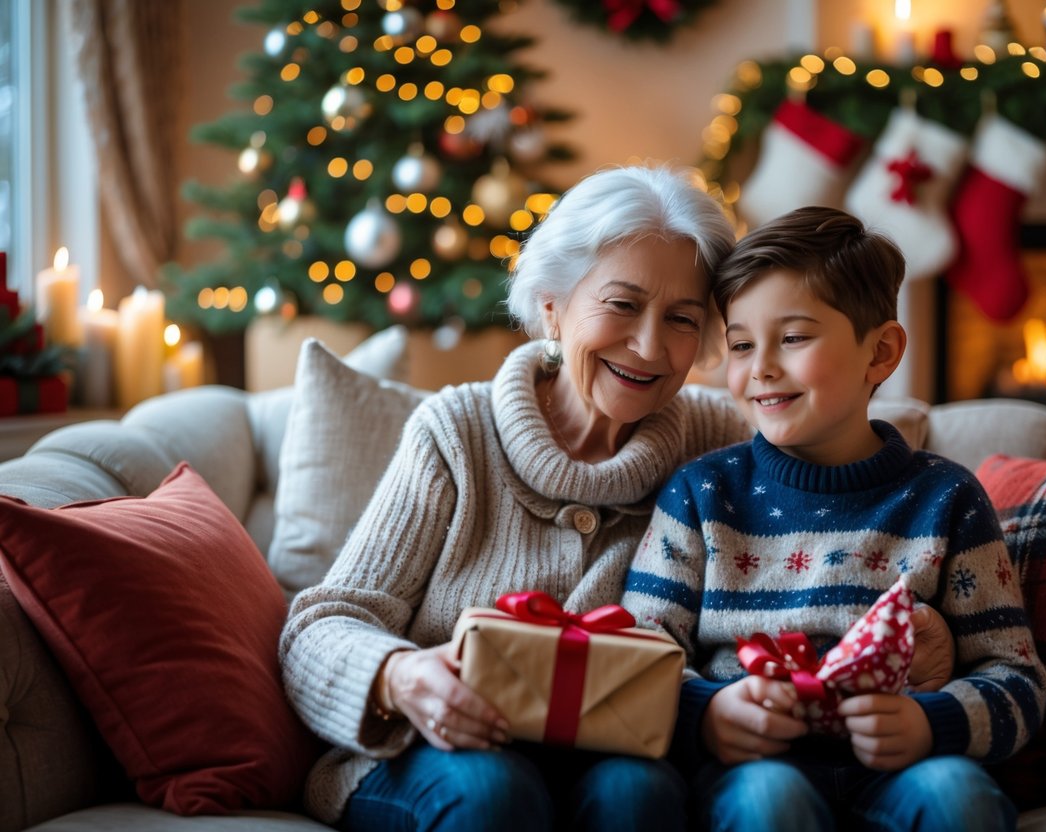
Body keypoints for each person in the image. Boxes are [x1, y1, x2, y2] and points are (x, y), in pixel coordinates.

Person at [278, 165, 755, 832]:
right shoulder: (456, 432)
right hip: (439, 751)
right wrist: (400, 675)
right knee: (494, 793)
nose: (649, 346)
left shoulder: (720, 441)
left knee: (638, 793)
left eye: (681, 318)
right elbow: (320, 624)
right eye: (621, 304)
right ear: (553, 304)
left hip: (613, 753)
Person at [621, 206, 1046, 832]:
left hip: (903, 770)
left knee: (960, 797)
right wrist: (709, 714)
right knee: (770, 804)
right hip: (754, 774)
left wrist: (934, 722)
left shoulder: (945, 499)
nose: (761, 366)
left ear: (880, 353)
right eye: (741, 344)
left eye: (793, 338)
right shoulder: (702, 493)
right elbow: (637, 655)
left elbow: (1016, 674)